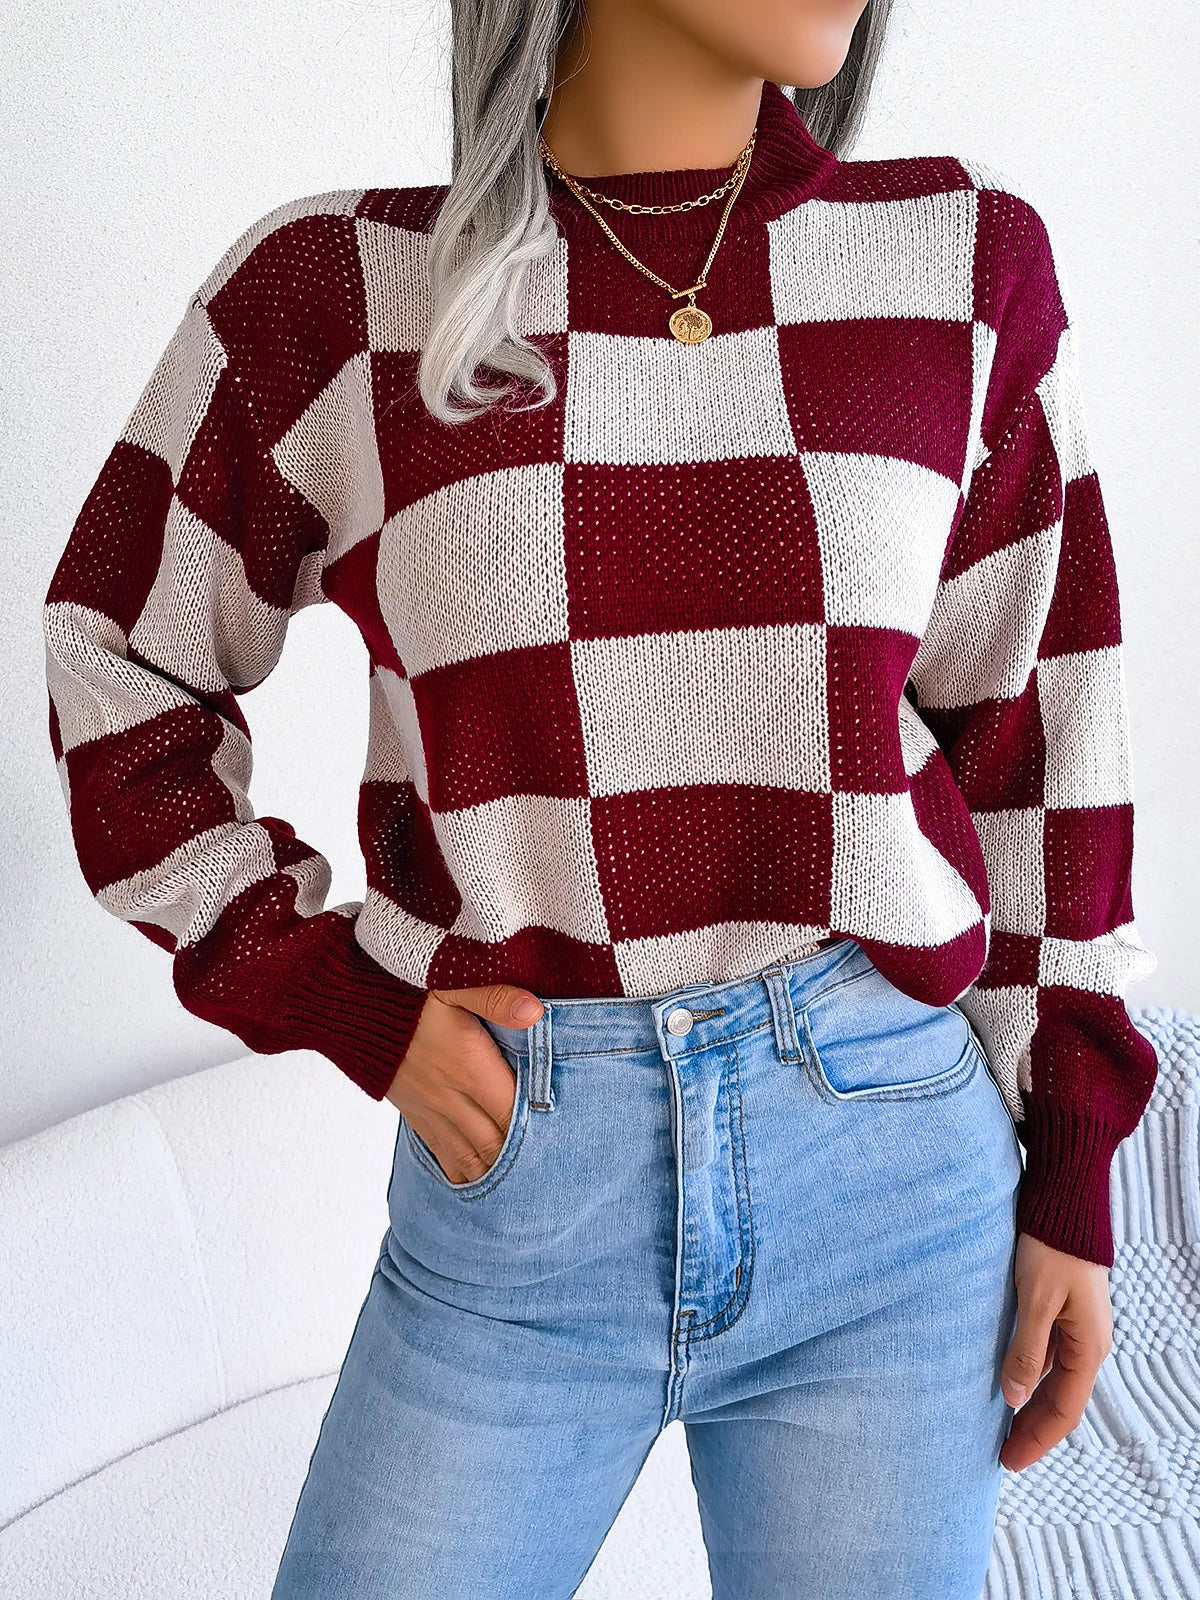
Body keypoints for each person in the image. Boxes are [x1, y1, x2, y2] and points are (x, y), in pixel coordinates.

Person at [43, 2, 1160, 1595]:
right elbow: (116, 662)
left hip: (892, 1185)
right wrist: (342, 994)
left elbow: (1043, 742)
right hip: (520, 1194)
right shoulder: (337, 296)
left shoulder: (955, 263)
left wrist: (1072, 1171)